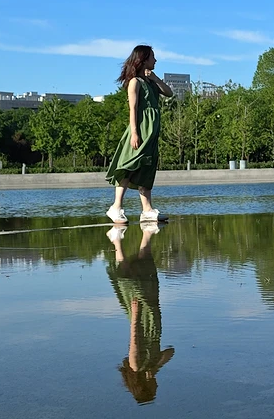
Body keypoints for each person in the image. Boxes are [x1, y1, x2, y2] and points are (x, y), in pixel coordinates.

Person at [106, 223, 175, 404]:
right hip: (153, 321)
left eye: (154, 388)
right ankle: (139, 236)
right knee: (146, 275)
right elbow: (171, 352)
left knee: (132, 281)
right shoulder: (150, 366)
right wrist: (155, 367)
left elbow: (134, 340)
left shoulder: (136, 366)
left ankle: (117, 242)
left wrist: (135, 315)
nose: (157, 386)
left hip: (143, 321)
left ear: (144, 386)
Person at [105, 44, 173, 223]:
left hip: (151, 133)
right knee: (129, 166)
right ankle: (116, 207)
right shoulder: (135, 82)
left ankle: (147, 210)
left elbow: (169, 93)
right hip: (140, 130)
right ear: (143, 59)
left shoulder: (151, 82)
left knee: (147, 168)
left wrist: (157, 79)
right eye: (152, 57)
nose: (155, 60)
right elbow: (133, 108)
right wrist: (134, 132)